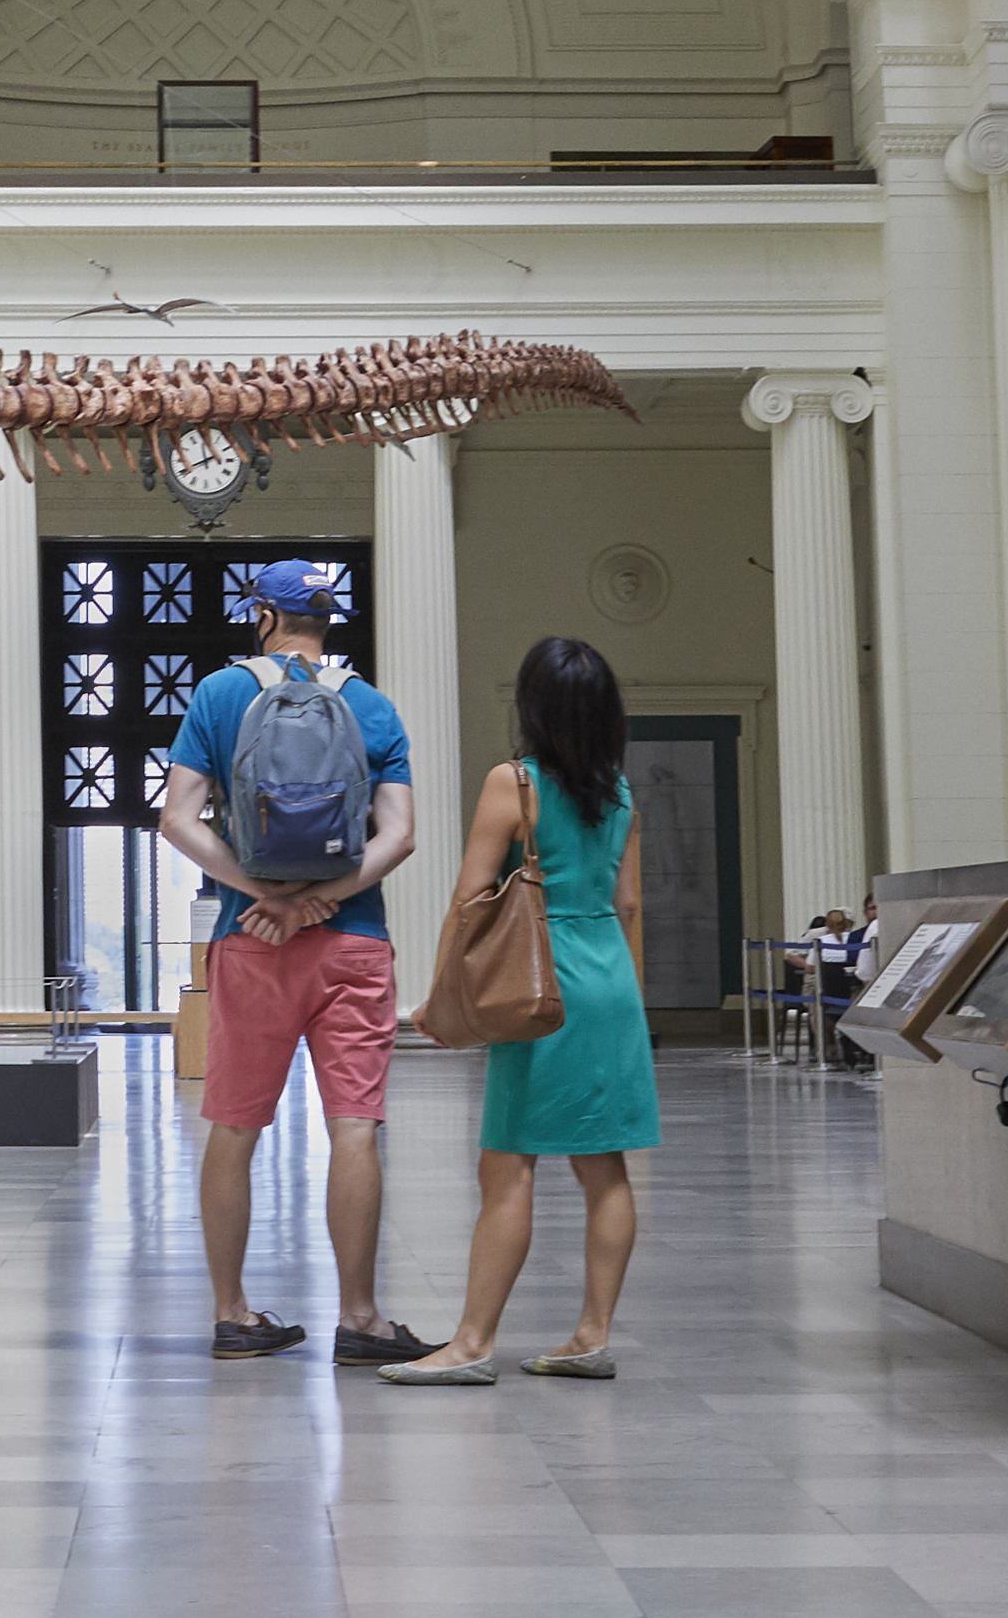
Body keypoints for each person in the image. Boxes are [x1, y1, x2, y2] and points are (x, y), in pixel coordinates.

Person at [157, 556, 434, 1364]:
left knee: (233, 1127)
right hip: (353, 942)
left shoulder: (220, 695)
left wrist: (264, 896)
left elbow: (177, 820)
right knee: (354, 1128)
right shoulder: (370, 705)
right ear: (326, 620)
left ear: (263, 617)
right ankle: (361, 1319)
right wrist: (322, 899)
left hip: (251, 941)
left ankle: (232, 1313)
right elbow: (399, 835)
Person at [390, 634, 657, 1384]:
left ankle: (471, 1344)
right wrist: (629, 1007)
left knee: (507, 1166)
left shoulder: (514, 783)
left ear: (532, 707)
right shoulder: (620, 793)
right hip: (609, 980)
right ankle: (591, 1336)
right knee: (604, 1168)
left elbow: (470, 898)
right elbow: (629, 905)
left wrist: (442, 996)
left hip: (540, 983)